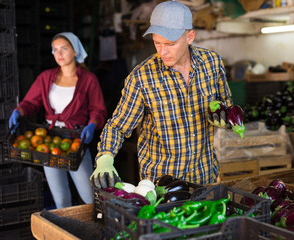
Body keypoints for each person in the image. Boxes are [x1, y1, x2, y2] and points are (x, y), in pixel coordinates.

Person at [91, 0, 232, 189]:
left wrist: (222, 116)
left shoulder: (212, 63)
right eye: (157, 43)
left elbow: (225, 102)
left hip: (204, 175)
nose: (162, 51)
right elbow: (117, 126)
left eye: (170, 43)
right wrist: (105, 158)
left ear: (189, 36)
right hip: (161, 184)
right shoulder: (142, 78)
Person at [9, 32, 107, 208]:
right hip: (50, 140)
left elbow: (98, 109)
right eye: (55, 50)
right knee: (61, 200)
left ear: (75, 51)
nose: (59, 54)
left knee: (90, 198)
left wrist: (92, 124)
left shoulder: (88, 79)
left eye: (64, 48)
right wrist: (19, 110)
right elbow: (31, 101)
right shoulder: (46, 77)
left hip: (77, 140)